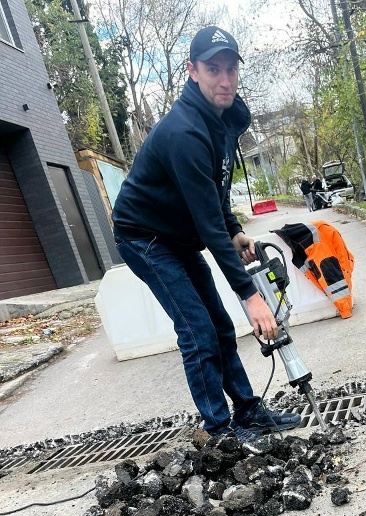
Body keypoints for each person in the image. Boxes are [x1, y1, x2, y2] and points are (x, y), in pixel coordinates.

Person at [112, 26, 300, 441]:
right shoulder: (184, 132)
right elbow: (207, 224)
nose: (225, 79)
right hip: (144, 238)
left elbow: (215, 188)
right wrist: (251, 297)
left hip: (177, 235)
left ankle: (249, 411)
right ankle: (219, 431)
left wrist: (235, 229)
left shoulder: (224, 120)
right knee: (197, 330)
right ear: (192, 71)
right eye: (213, 69)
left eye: (231, 69)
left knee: (218, 322)